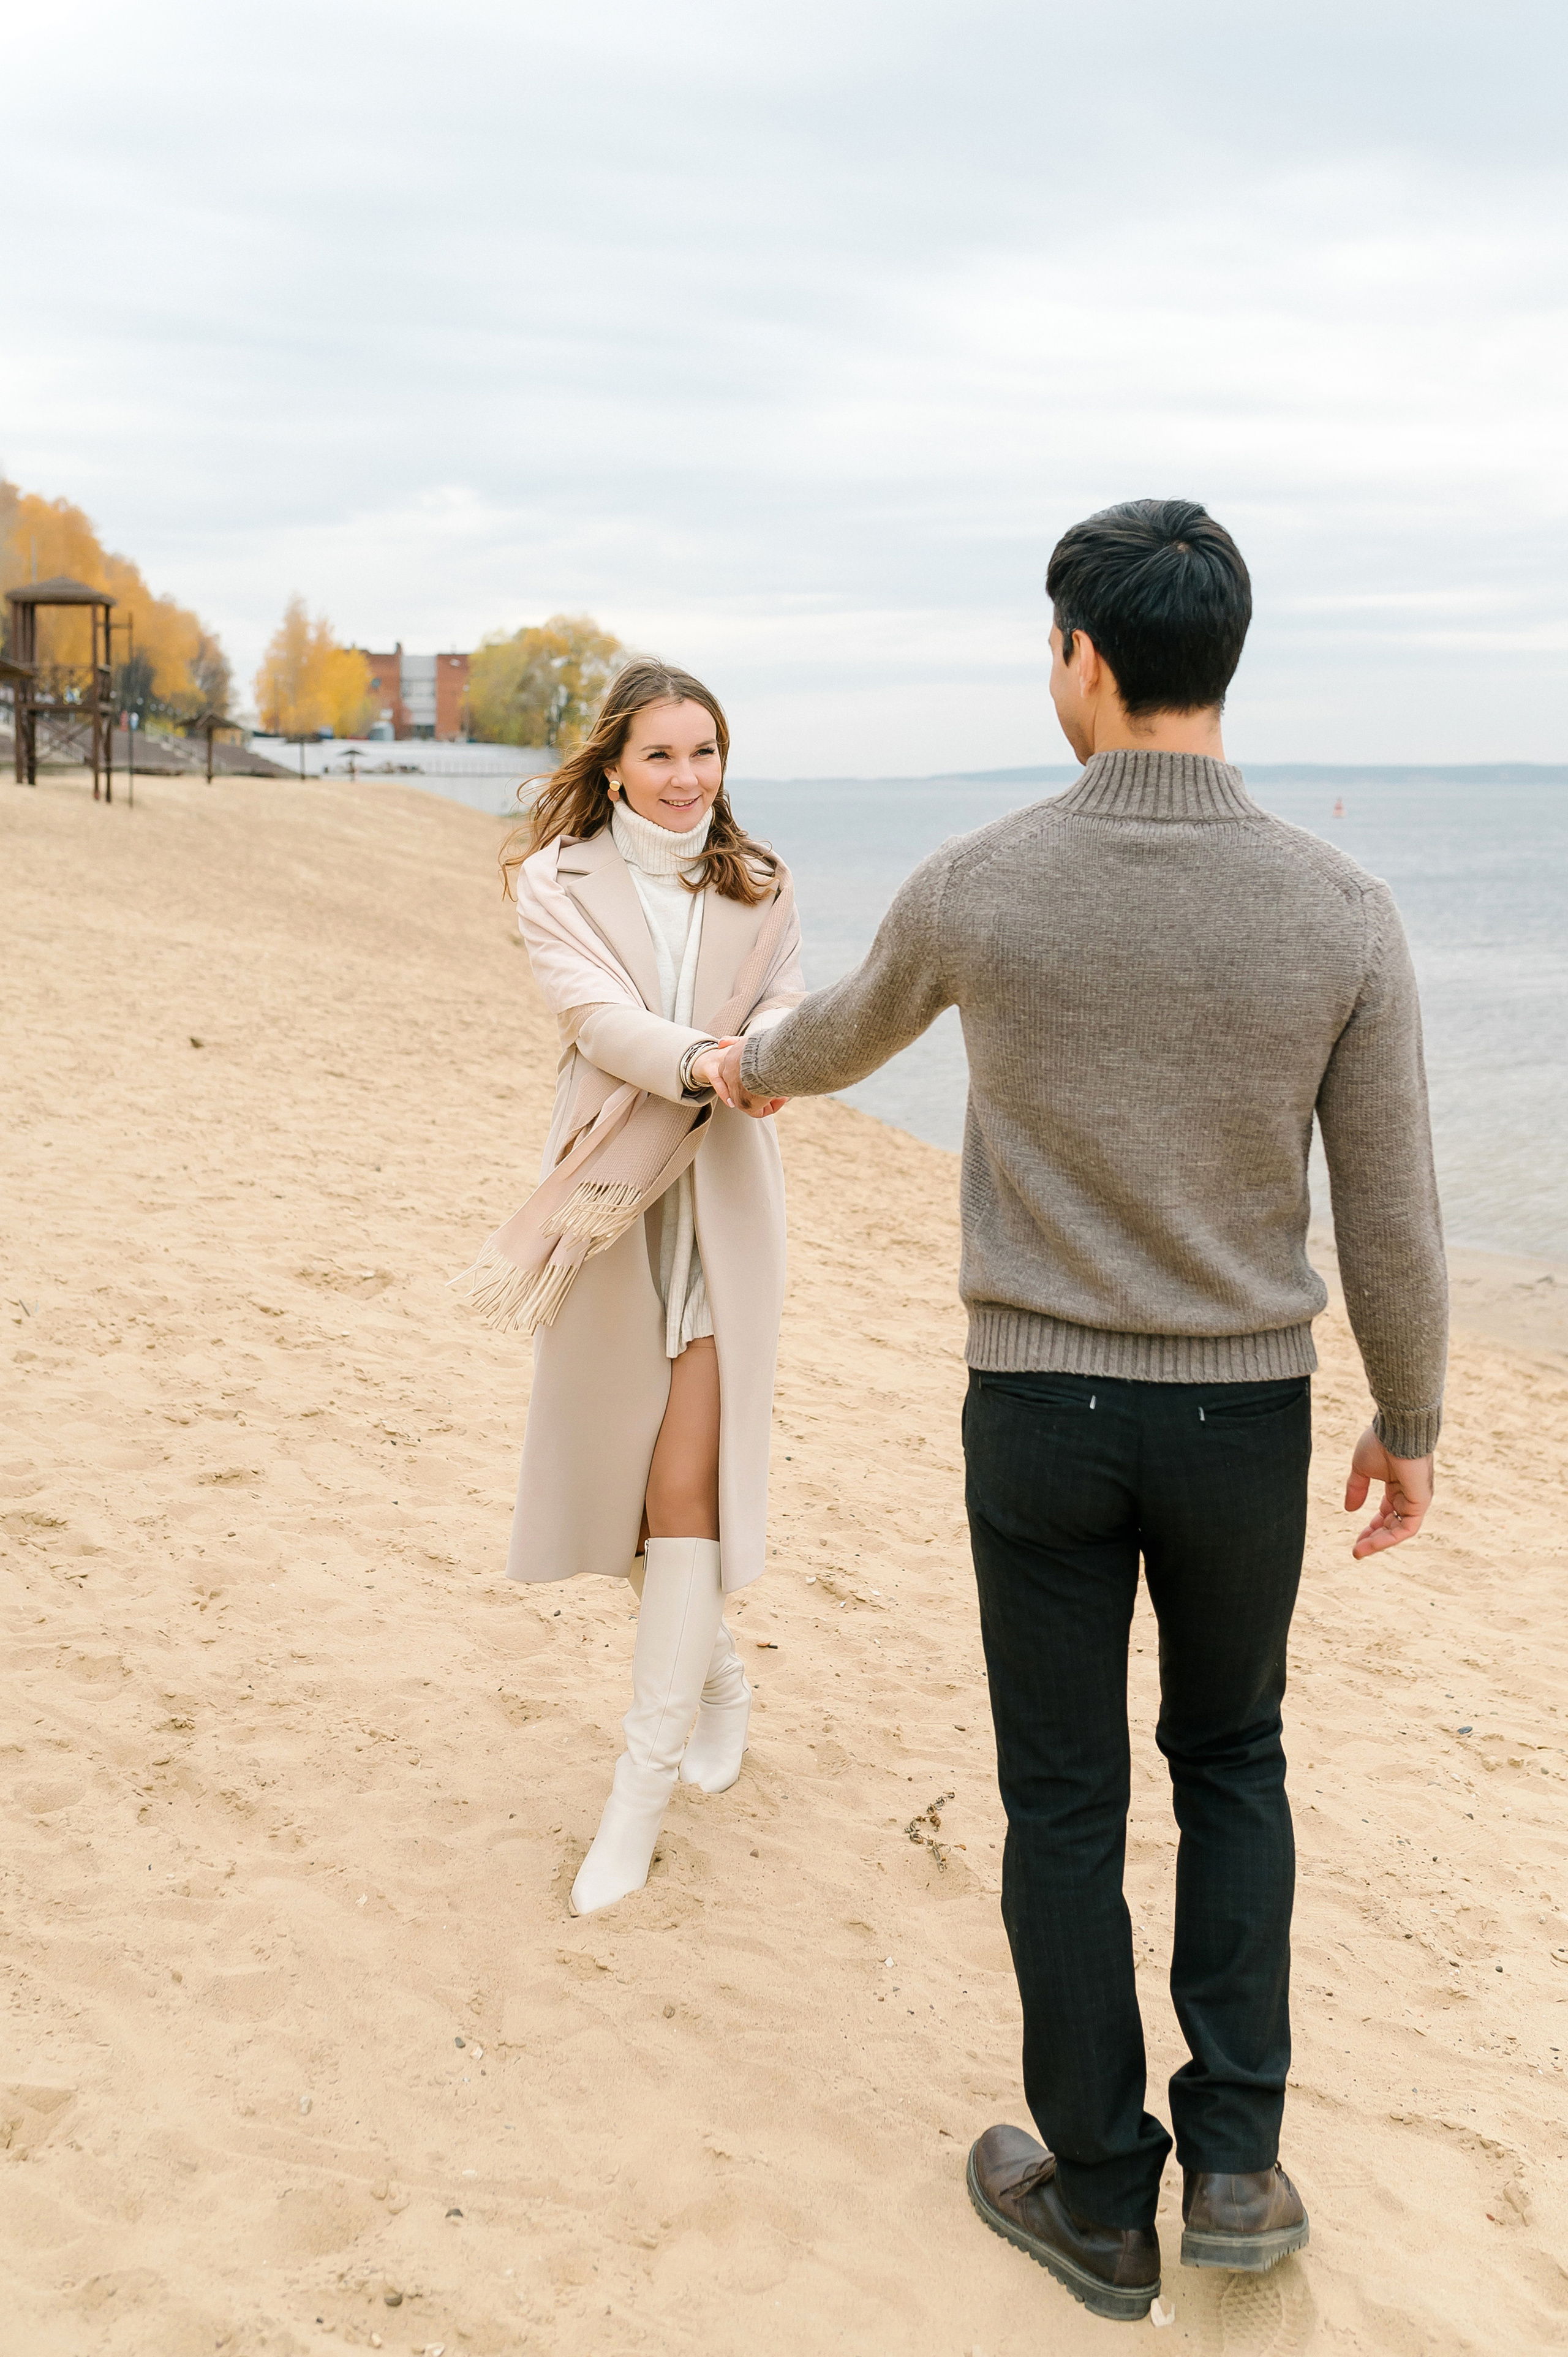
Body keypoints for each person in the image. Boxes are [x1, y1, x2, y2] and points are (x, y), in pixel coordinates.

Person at [715, 502, 1446, 2323]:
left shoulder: (983, 880)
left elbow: (844, 1036)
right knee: (1235, 1762)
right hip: (1246, 1423)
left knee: (1063, 1796)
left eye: (1052, 649)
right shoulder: (1340, 908)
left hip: (1038, 1408)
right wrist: (1412, 1415)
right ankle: (1247, 2165)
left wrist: (738, 1071)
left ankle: (1103, 2196)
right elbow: (1397, 1205)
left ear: (1084, 659)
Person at [486, 657, 802, 1918]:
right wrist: (715, 1060)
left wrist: (775, 1056)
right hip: (612, 1202)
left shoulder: (760, 883)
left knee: (684, 1491)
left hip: (724, 1204)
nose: (686, 781)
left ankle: (639, 1786)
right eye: (662, 756)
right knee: (619, 1496)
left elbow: (785, 1006)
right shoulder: (549, 884)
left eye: (705, 755)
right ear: (614, 761)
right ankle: (717, 1674)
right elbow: (597, 1022)